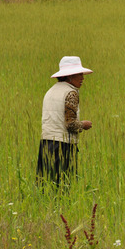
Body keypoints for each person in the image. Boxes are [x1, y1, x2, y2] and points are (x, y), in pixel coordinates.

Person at [36, 56, 93, 191]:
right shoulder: (71, 93)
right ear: (70, 76)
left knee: (45, 185)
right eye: (79, 74)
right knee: (63, 187)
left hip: (46, 143)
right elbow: (70, 124)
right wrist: (83, 125)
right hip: (62, 146)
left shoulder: (50, 91)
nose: (82, 78)